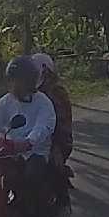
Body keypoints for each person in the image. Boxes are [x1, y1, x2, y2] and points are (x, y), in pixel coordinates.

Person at [0, 55, 55, 217]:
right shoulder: (6, 101)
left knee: (29, 179)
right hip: (10, 149)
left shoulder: (43, 102)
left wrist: (28, 142)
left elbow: (43, 127)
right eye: (11, 80)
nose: (13, 85)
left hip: (35, 152)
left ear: (29, 81)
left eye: (18, 80)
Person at [33, 53, 73, 204]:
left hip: (58, 141)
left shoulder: (56, 92)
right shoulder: (30, 91)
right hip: (33, 139)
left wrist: (55, 146)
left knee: (49, 169)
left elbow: (60, 123)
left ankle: (61, 202)